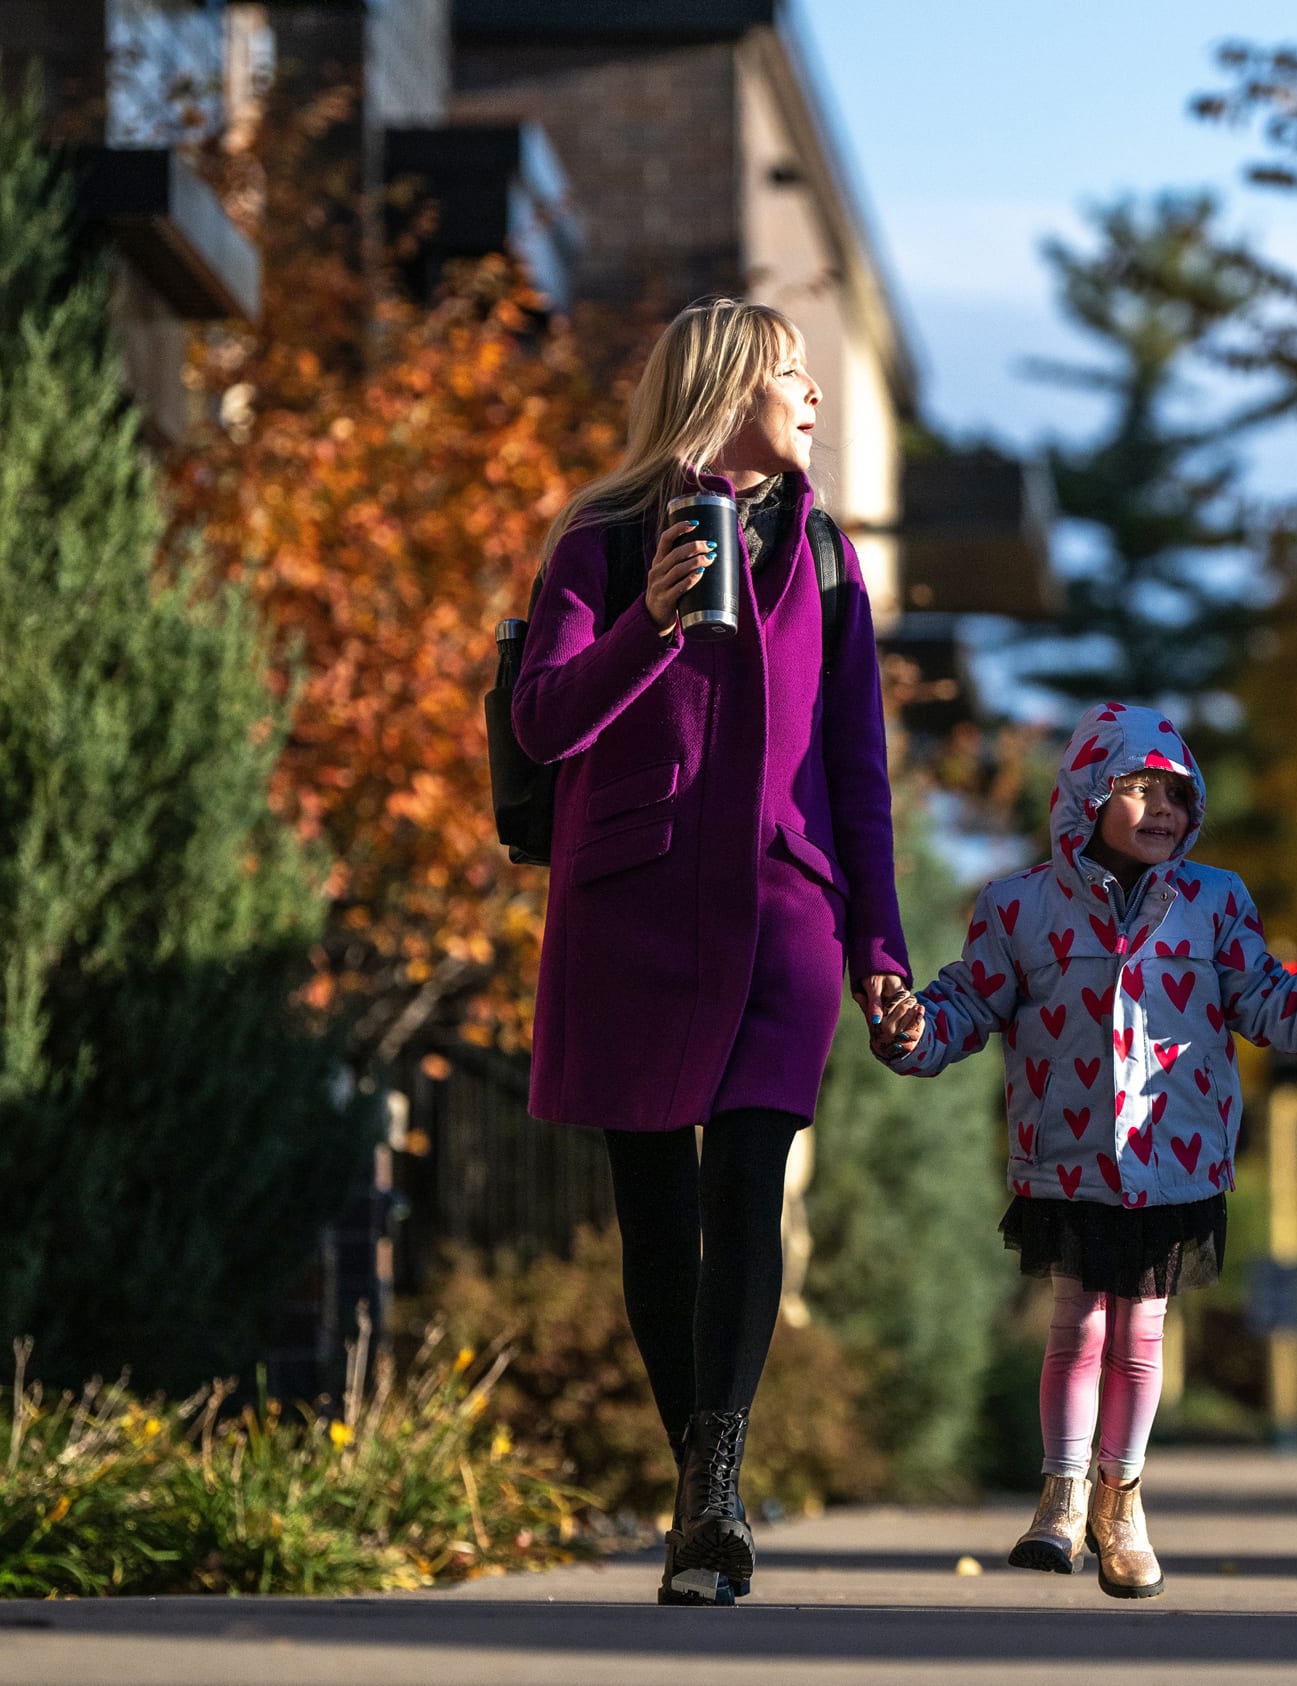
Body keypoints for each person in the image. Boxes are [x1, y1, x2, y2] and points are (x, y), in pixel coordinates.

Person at [509, 297, 909, 1607]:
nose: (812, 399)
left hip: (783, 906)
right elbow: (545, 719)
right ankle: (703, 1486)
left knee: (746, 1181)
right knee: (656, 1212)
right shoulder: (607, 537)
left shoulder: (830, 554)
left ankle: (715, 1487)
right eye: (791, 377)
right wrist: (653, 623)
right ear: (726, 390)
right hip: (630, 904)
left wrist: (878, 947)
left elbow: (858, 767)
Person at [876, 702, 1297, 1599]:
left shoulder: (1214, 901)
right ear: (1087, 797)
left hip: (1173, 1157)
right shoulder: (1018, 907)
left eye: (1178, 794)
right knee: (1078, 1327)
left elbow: (1263, 1000)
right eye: (1138, 790)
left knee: (1139, 1332)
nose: (1162, 810)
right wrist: (914, 1029)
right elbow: (967, 1002)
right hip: (1067, 1153)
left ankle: (1123, 1498)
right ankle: (1061, 1497)